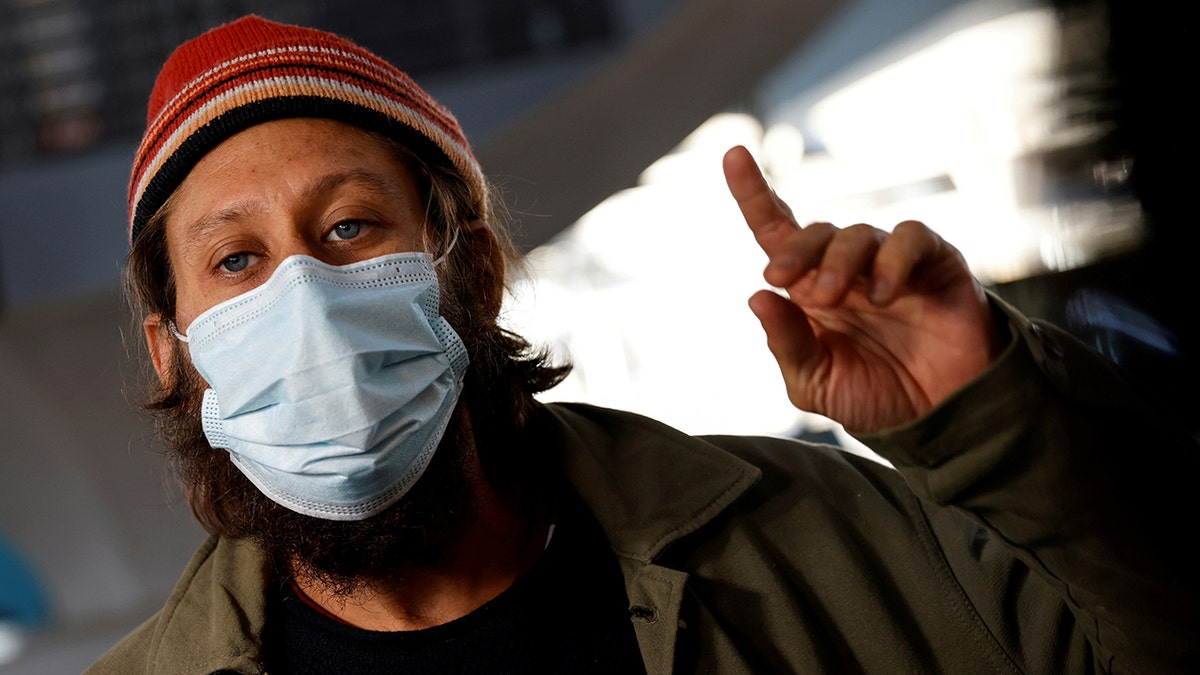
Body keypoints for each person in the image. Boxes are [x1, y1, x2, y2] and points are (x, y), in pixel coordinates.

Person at [89, 15, 1197, 675]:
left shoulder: (830, 548)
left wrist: (995, 420)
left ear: (468, 273)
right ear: (171, 350)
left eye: (348, 228)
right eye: (236, 262)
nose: (307, 301)